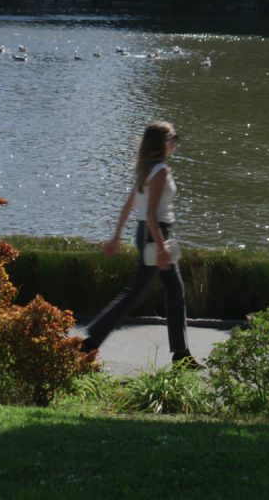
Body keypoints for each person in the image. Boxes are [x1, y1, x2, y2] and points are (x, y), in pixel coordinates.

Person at [76, 119, 192, 364]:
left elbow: (130, 204)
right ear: (162, 143)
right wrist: (161, 248)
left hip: (146, 233)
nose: (175, 142)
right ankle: (90, 342)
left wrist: (116, 237)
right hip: (156, 233)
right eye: (173, 138)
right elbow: (150, 213)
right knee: (150, 293)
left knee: (163, 291)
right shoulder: (160, 171)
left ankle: (181, 354)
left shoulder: (144, 169)